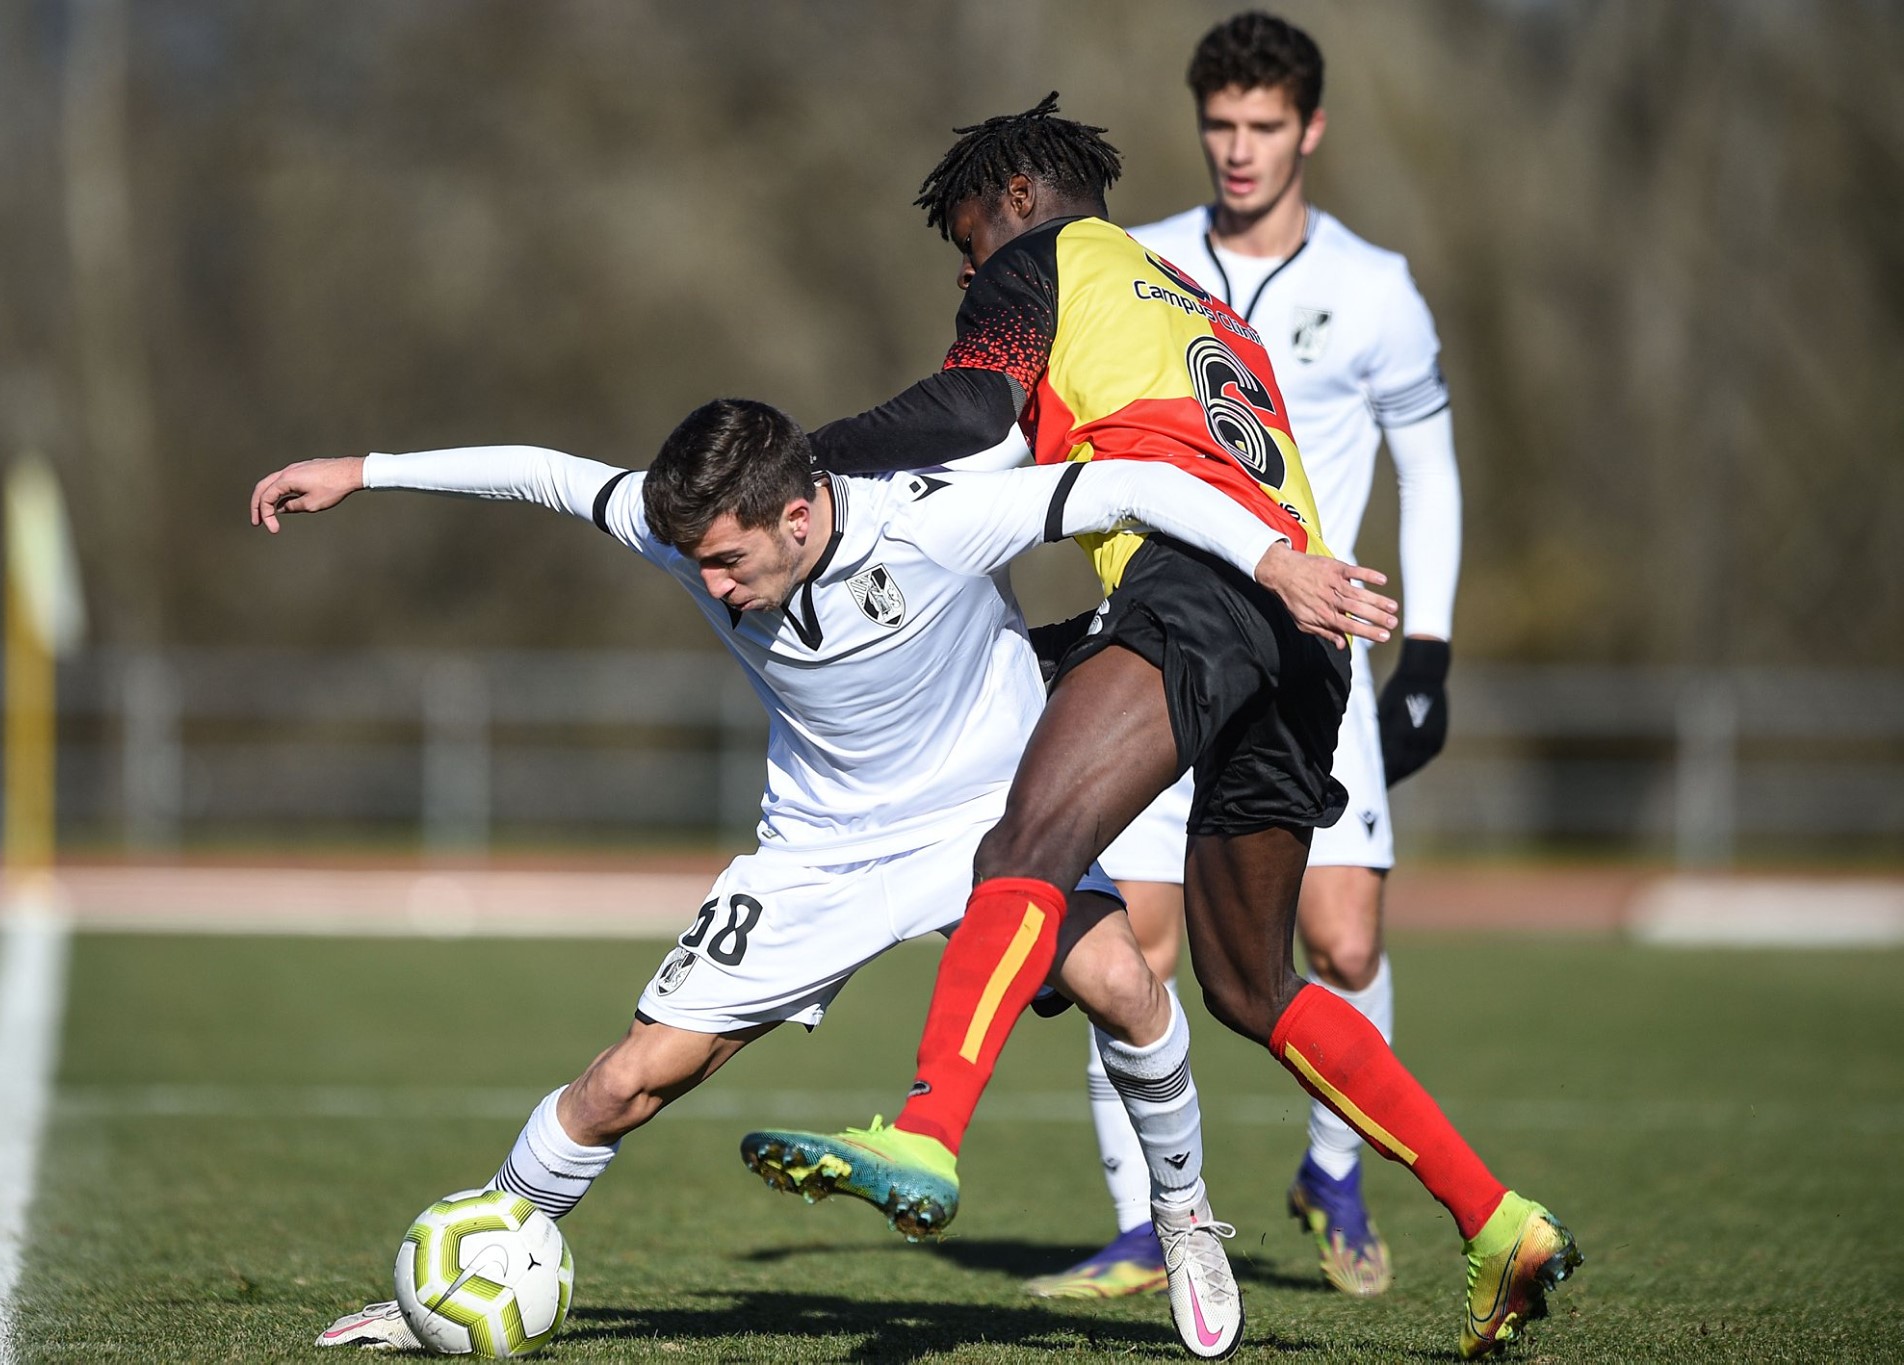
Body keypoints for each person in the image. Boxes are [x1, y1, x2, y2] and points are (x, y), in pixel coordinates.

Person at [249, 398, 1391, 1356]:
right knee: (622, 1083)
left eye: (727, 560)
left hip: (991, 823)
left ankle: (1183, 1220)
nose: (707, 583)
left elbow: (1127, 483)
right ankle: (469, 1268)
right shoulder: (690, 531)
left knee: (1129, 990)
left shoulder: (936, 521)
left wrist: (1272, 559)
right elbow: (547, 476)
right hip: (815, 848)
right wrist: (364, 470)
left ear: (797, 514)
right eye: (693, 558)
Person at [737, 96, 1577, 1360]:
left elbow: (970, 415)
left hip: (1209, 594)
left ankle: (924, 1128)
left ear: (1015, 194)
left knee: (1024, 843)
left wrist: (798, 462)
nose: (967, 274)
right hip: (1301, 636)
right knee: (1251, 982)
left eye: (964, 240)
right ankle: (1494, 1215)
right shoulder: (1183, 289)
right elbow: (1039, 465)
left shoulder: (1040, 260)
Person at [1026, 11, 1466, 1303]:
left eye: (1264, 125)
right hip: (1168, 645)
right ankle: (1147, 1223)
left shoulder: (1376, 287)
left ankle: (1335, 1168)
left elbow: (1428, 469)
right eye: (1219, 124)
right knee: (1138, 944)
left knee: (1339, 936)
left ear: (1309, 130)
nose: (1238, 148)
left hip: (1313, 654)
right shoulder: (1141, 265)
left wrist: (1429, 648)